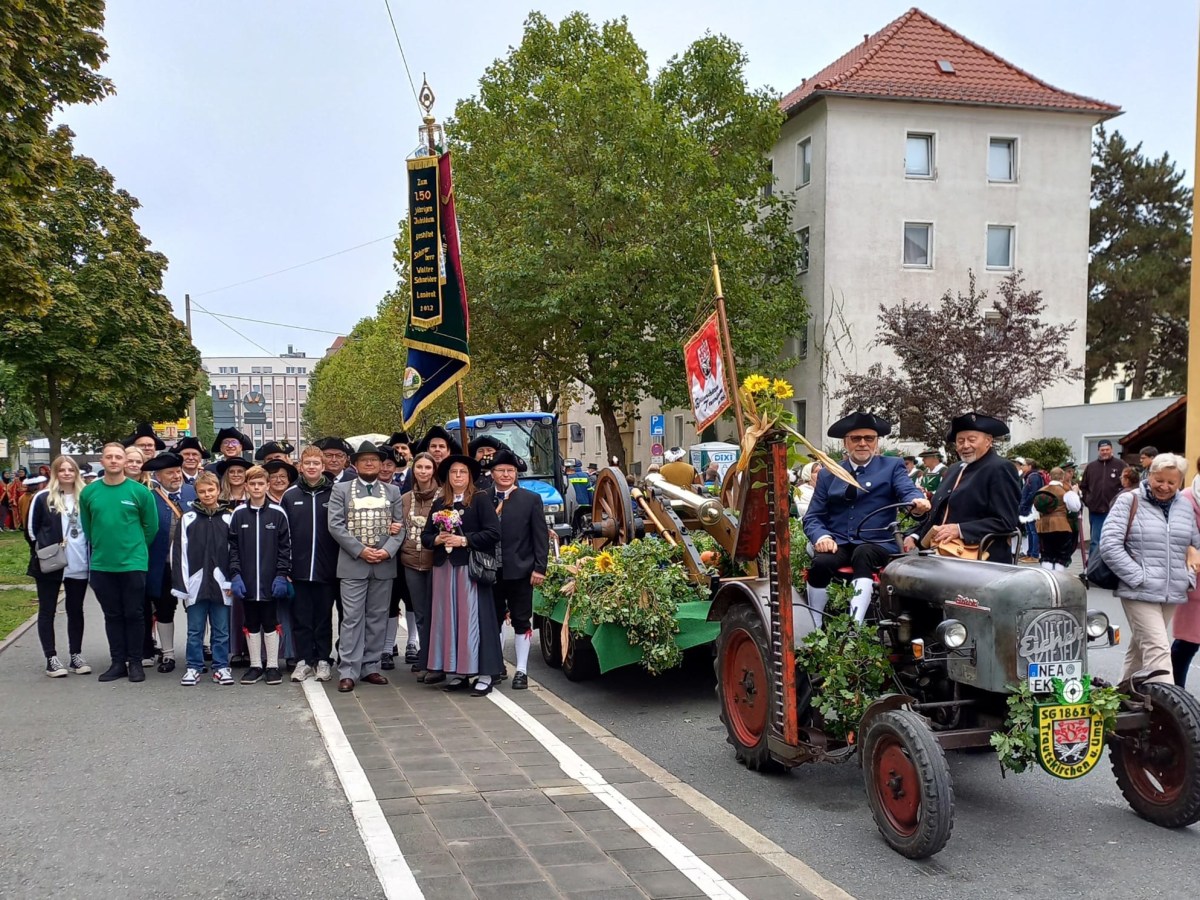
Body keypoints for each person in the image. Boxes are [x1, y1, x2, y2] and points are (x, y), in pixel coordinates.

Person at [804, 412, 929, 623]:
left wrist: (917, 502)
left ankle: (855, 628)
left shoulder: (892, 466)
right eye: (856, 438)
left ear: (876, 442)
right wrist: (822, 537)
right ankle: (814, 625)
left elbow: (907, 490)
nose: (863, 443)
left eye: (869, 438)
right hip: (840, 542)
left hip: (877, 543)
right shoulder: (829, 473)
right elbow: (813, 516)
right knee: (821, 563)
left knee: (863, 553)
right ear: (846, 442)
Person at [1099, 453, 1200, 687]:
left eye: (1171, 482)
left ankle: (1119, 703)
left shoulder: (1184, 506)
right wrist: (1137, 577)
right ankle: (1173, 717)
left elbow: (1194, 544)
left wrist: (1188, 576)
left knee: (1138, 652)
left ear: (1180, 482)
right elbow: (1109, 545)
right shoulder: (1129, 500)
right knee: (1159, 651)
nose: (1164, 486)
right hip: (1139, 591)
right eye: (1159, 480)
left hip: (1172, 591)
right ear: (1150, 475)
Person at [421, 454, 503, 695]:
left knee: (472, 621)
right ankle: (457, 671)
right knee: (448, 619)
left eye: (463, 472)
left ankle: (484, 673)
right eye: (454, 472)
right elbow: (426, 536)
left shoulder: (479, 500)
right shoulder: (440, 504)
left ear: (470, 477)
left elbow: (493, 532)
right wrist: (437, 538)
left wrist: (464, 540)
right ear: (447, 476)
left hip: (469, 569)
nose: (458, 476)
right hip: (443, 570)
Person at [79, 442, 159, 683]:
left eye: (118, 457)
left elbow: (151, 527)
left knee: (134, 613)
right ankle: (117, 662)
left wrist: (134, 547)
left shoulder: (140, 492)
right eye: (109, 457)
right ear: (102, 461)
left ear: (125, 462)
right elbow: (88, 527)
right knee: (112, 615)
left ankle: (135, 662)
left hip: (133, 563)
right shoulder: (89, 493)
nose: (114, 461)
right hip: (103, 564)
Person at [327, 441, 403, 692]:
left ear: (382, 464)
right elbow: (335, 525)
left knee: (378, 618)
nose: (370, 464)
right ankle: (348, 669)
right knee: (351, 618)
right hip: (352, 564)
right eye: (364, 460)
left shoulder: (392, 492)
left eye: (374, 460)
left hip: (383, 564)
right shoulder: (341, 490)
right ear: (355, 464)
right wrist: (360, 551)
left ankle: (371, 666)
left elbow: (399, 528)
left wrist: (386, 551)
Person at [906, 413, 1021, 564]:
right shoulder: (954, 469)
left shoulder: (1000, 468)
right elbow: (940, 512)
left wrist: (959, 529)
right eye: (960, 441)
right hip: (942, 554)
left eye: (972, 440)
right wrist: (915, 535)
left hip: (981, 558)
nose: (965, 445)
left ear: (988, 441)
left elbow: (1006, 521)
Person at [488, 449, 548, 690]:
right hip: (491, 571)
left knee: (522, 619)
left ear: (516, 474)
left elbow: (540, 536)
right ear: (492, 473)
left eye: (510, 471)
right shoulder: (482, 498)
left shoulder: (530, 499)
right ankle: (498, 664)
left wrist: (539, 568)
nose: (505, 474)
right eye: (501, 470)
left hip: (521, 570)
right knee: (493, 618)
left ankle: (521, 670)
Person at [27, 456, 91, 678]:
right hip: (51, 562)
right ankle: (51, 658)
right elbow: (31, 530)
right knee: (47, 610)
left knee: (76, 610)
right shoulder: (43, 497)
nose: (66, 473)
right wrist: (44, 550)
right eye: (61, 470)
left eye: (70, 469)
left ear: (76, 473)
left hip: (79, 561)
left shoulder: (86, 497)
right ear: (55, 473)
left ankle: (76, 655)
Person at [227, 465, 291, 685]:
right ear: (246, 486)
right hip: (246, 581)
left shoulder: (278, 513)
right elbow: (232, 547)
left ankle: (272, 666)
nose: (256, 487)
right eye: (252, 484)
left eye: (260, 484)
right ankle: (255, 665)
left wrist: (282, 575)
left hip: (270, 580)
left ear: (267, 485)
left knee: (270, 621)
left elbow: (285, 547)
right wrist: (235, 574)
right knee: (251, 622)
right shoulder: (238, 514)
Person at [172, 472, 236, 686]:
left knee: (221, 630)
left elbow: (234, 552)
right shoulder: (187, 518)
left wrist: (231, 581)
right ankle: (193, 666)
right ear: (196, 493)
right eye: (202, 491)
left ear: (218, 490)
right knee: (195, 629)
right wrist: (182, 585)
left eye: (211, 490)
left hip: (222, 584)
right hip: (195, 584)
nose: (207, 494)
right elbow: (179, 552)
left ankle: (221, 667)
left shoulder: (229, 517)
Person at [282, 446, 339, 683]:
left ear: (323, 466)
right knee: (301, 618)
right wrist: (285, 567)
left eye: (317, 463)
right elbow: (283, 536)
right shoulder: (290, 495)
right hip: (300, 569)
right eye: (308, 463)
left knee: (324, 617)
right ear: (301, 467)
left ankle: (323, 659)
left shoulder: (335, 493)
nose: (312, 467)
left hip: (328, 569)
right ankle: (304, 660)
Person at [141, 452, 195, 673]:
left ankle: (198, 650)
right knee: (164, 610)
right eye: (169, 472)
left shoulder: (193, 492)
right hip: (161, 565)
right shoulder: (149, 498)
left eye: (177, 471)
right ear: (158, 476)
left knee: (196, 608)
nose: (175, 476)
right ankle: (168, 654)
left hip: (192, 565)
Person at [401, 453, 438, 678]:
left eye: (427, 467)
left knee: (438, 614)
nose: (423, 471)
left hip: (437, 564)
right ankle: (425, 658)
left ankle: (439, 659)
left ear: (434, 470)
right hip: (411, 563)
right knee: (421, 614)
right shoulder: (405, 499)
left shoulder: (444, 496)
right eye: (419, 467)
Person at [1171, 459, 1200, 688]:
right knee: (1187, 644)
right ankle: (1174, 697)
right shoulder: (1186, 499)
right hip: (1195, 581)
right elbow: (1176, 537)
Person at [1080, 439, 1128, 559]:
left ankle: (1110, 569)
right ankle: (1092, 569)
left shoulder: (1121, 465)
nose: (1105, 452)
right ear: (1098, 451)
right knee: (1095, 541)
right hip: (1096, 511)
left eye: (1107, 449)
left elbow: (1128, 486)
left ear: (1111, 449)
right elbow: (1083, 486)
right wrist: (1089, 501)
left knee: (1114, 541)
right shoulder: (1091, 467)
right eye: (1102, 450)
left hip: (1115, 511)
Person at [1033, 467, 1081, 572]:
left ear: (1050, 477)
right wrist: (1075, 493)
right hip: (1061, 526)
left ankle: (1047, 578)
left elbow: (1035, 510)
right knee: (1061, 555)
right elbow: (1075, 507)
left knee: (1047, 554)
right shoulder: (1065, 491)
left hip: (1043, 526)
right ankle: (1058, 578)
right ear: (1062, 477)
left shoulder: (1041, 490)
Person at [1016, 458, 1046, 563]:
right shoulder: (1029, 476)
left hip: (1032, 508)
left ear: (1030, 466)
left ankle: (1034, 555)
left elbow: (1034, 493)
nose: (1022, 467)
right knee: (1029, 531)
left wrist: (1025, 503)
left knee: (1033, 531)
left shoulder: (1033, 477)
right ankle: (1029, 553)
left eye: (1024, 465)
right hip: (1028, 507)